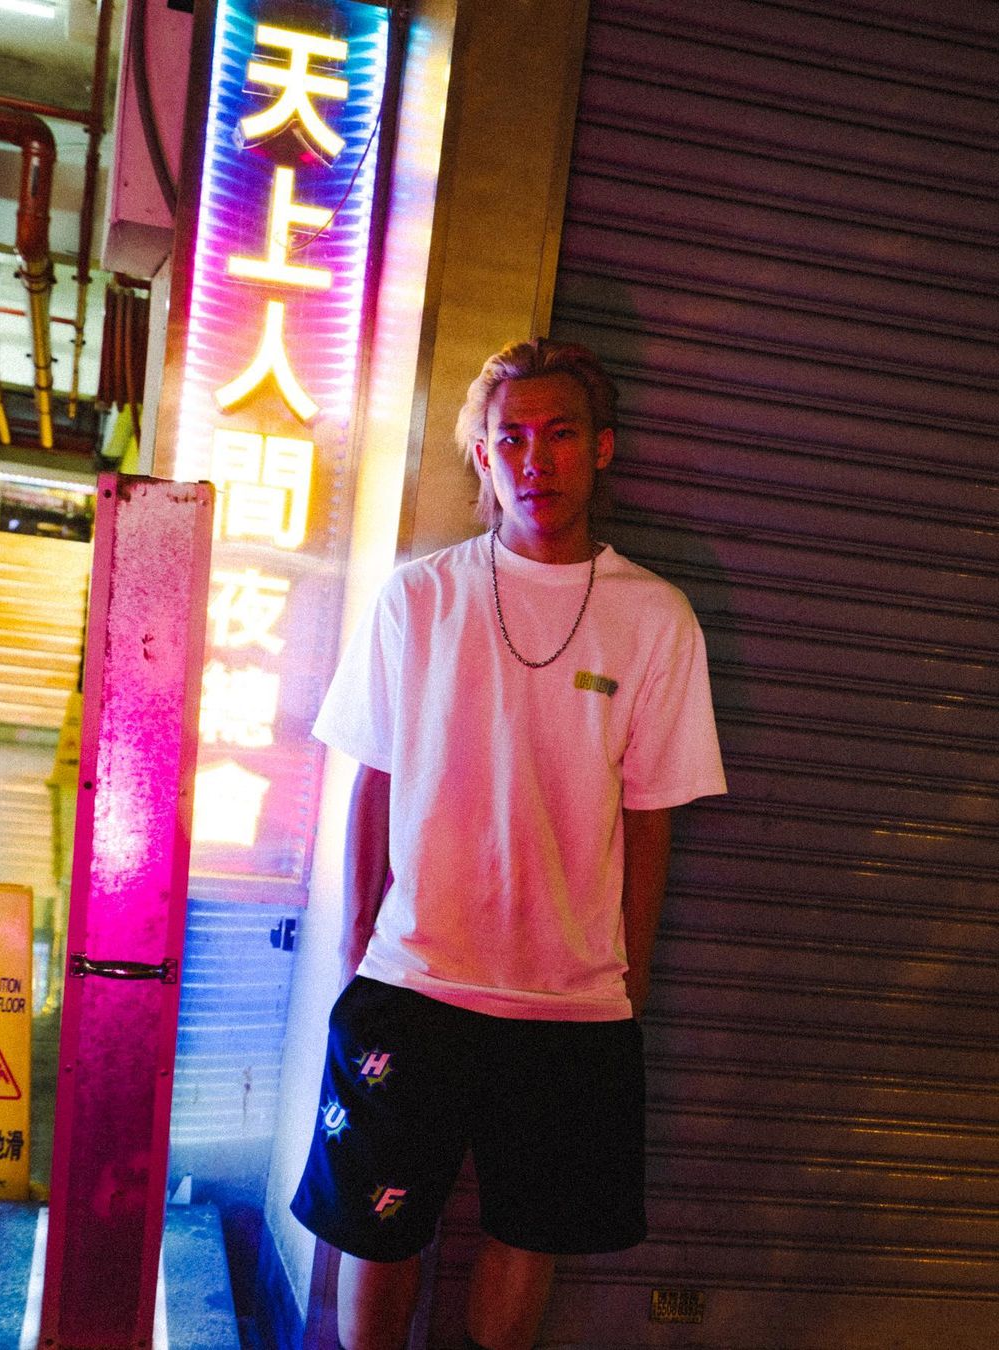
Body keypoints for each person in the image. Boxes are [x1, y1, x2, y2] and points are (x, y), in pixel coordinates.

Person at [291, 338, 727, 1350]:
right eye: (512, 439)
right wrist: (359, 943)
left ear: (602, 448)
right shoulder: (417, 597)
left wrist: (629, 976)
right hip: (414, 984)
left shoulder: (657, 620)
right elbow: (371, 777)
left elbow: (651, 814)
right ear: (484, 458)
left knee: (529, 1233)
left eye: (560, 434)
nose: (536, 460)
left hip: (572, 1005)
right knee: (378, 1231)